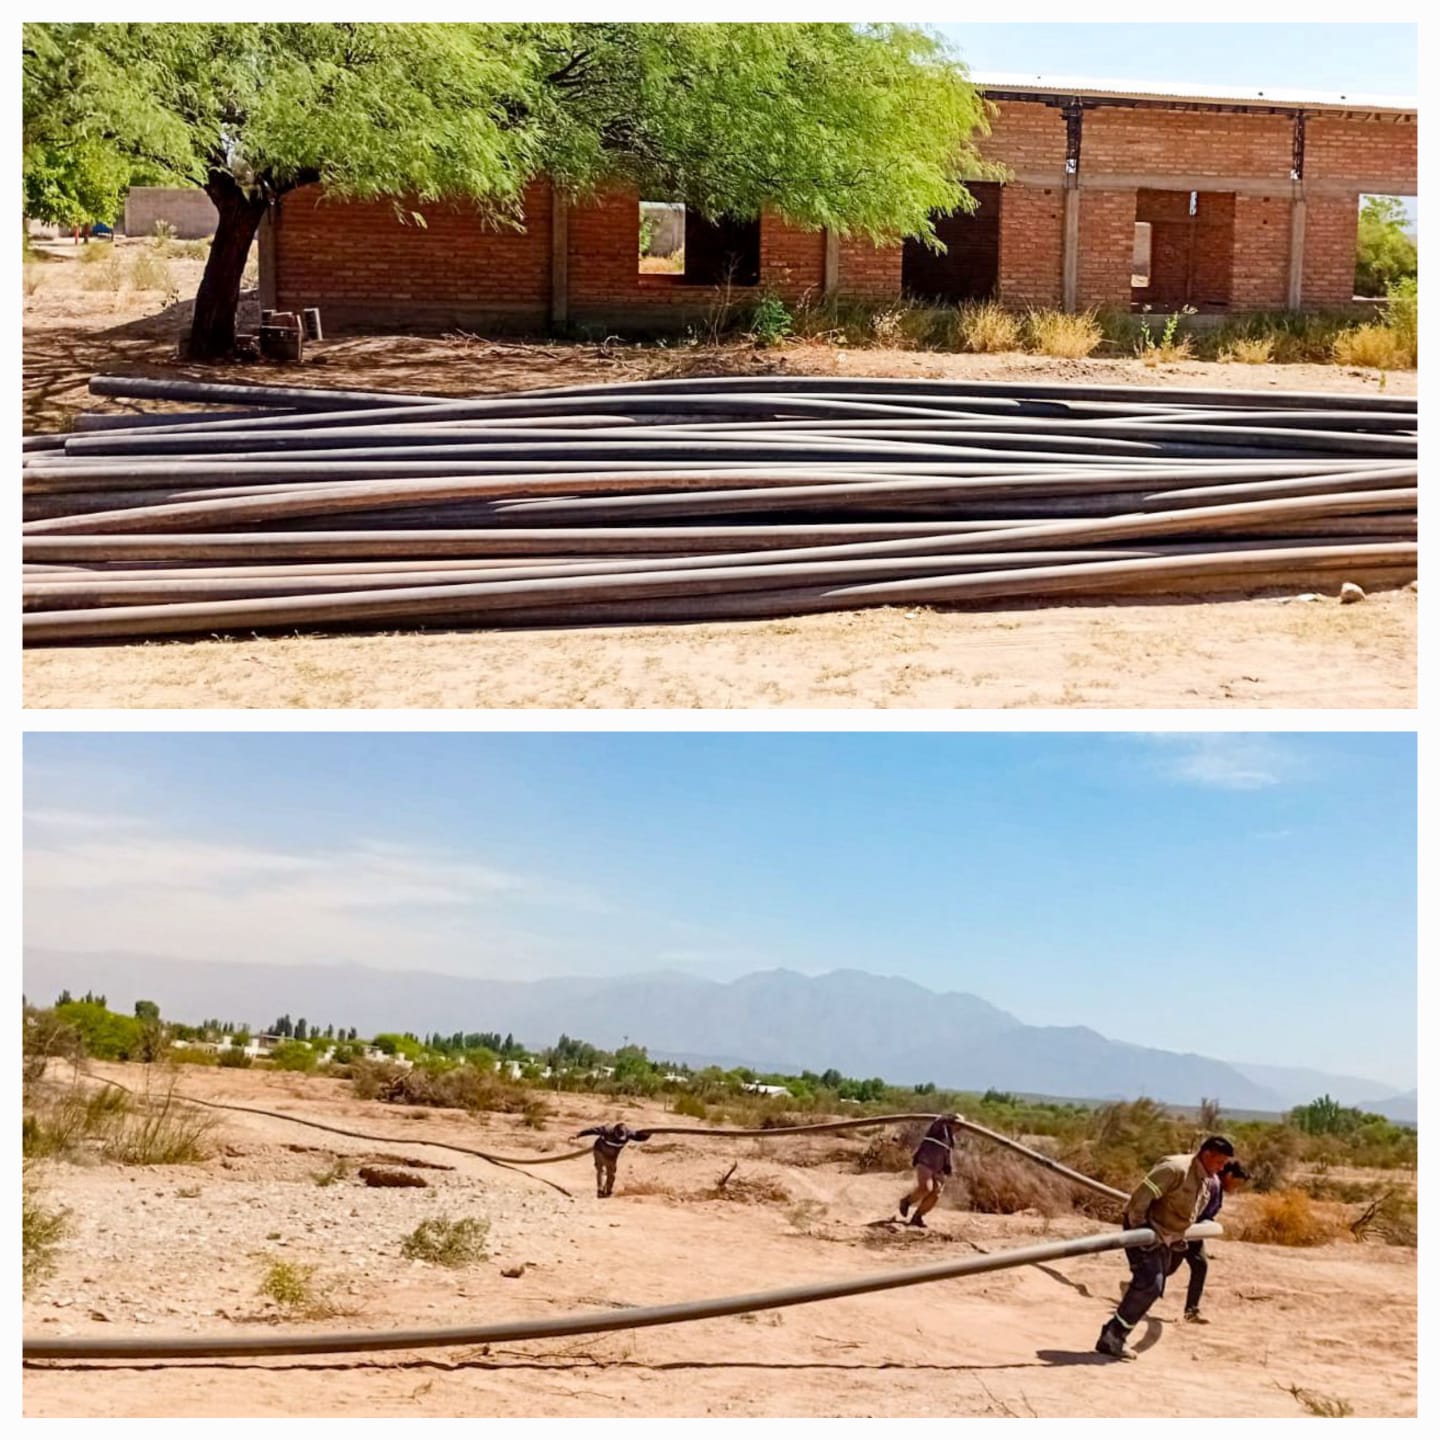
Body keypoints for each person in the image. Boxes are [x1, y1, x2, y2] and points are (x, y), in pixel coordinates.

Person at [1095, 1135, 1235, 1361]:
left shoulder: (1206, 1179)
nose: (1221, 1169)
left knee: (1152, 1285)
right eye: (1219, 1163)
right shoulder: (1175, 1169)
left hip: (1167, 1236)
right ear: (1207, 1155)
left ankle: (1113, 1335)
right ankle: (1113, 1337)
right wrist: (1142, 1233)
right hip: (1145, 1231)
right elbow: (1140, 1199)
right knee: (1150, 1284)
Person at [1183, 1160, 1249, 1323]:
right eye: (1236, 1183)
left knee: (1198, 1266)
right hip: (1184, 1231)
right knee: (1168, 1267)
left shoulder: (1216, 1185)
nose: (1236, 1188)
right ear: (1229, 1175)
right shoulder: (1213, 1184)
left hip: (1194, 1234)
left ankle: (1191, 1311)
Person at [898, 1112, 962, 1228]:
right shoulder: (939, 1128)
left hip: (938, 1167)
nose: (960, 1128)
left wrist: (948, 1168)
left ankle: (918, 1217)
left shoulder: (951, 1139)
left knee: (936, 1193)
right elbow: (940, 1119)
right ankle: (906, 1202)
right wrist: (951, 1119)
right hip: (925, 1161)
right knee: (926, 1188)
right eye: (958, 1125)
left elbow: (947, 1153)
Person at [575, 1122, 650, 1198]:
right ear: (614, 1132)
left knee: (611, 1174)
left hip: (612, 1156)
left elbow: (640, 1137)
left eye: (621, 1137)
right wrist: (578, 1135)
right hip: (599, 1150)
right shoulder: (606, 1130)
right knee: (600, 1170)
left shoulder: (629, 1134)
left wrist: (649, 1134)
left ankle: (608, 1191)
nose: (619, 1139)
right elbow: (592, 1131)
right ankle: (600, 1190)